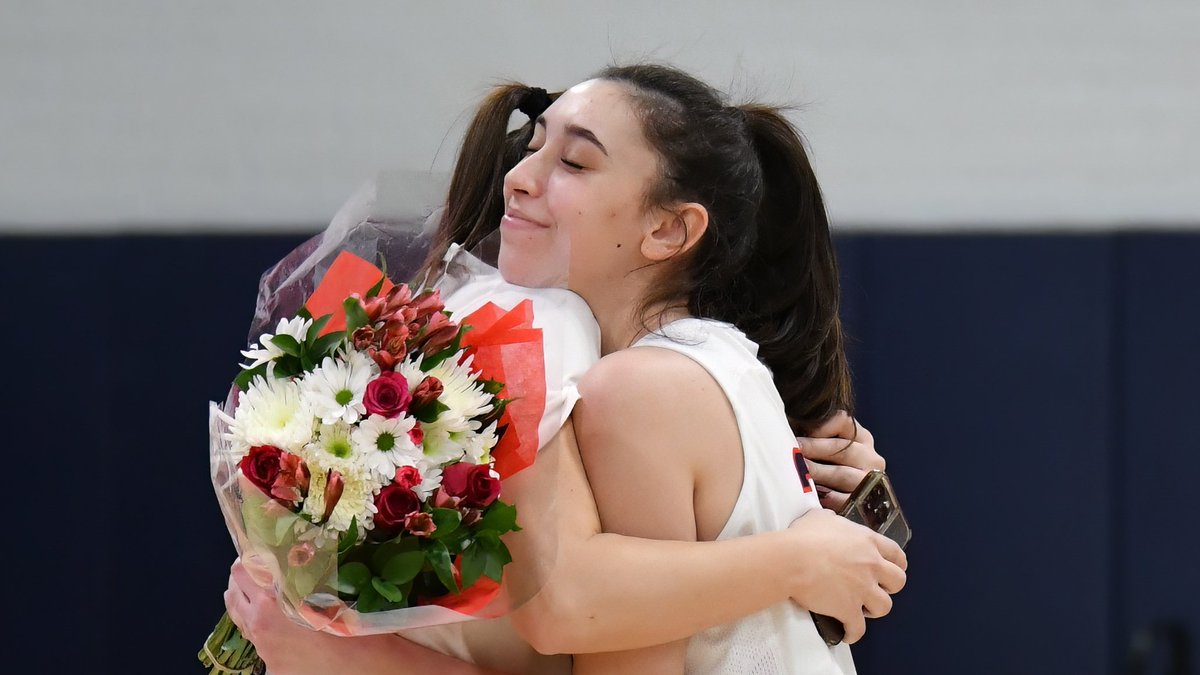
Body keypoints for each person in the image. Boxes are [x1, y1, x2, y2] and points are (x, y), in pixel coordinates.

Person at [224, 64, 906, 675]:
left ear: (669, 230)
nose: (518, 179)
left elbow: (567, 607)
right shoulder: (691, 367)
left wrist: (354, 660)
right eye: (533, 149)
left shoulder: (643, 386)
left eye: (575, 163)